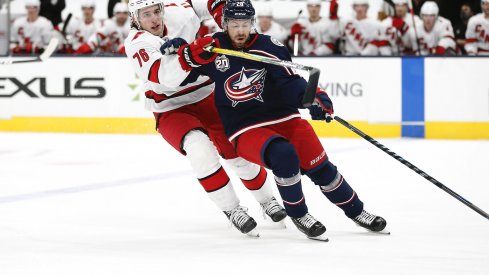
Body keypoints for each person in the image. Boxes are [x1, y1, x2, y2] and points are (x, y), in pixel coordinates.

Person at [165, 0, 388, 240]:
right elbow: (179, 79)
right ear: (224, 23)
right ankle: (300, 214)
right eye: (234, 24)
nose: (240, 30)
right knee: (284, 155)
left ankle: (358, 212)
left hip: (285, 118)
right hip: (245, 128)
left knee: (322, 169)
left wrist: (313, 98)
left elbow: (291, 82)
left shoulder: (269, 46)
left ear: (252, 23)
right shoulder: (212, 48)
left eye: (245, 24)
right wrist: (182, 54)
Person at [124, 0, 287, 236]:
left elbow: (211, 4)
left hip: (208, 94)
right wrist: (188, 56)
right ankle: (232, 209)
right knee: (199, 150)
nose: (154, 19)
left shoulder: (178, 13)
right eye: (146, 14)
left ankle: (267, 200)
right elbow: (165, 77)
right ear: (135, 19)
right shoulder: (136, 43)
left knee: (236, 150)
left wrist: (228, 20)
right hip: (171, 107)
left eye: (156, 11)